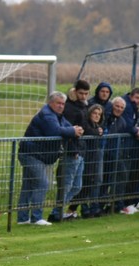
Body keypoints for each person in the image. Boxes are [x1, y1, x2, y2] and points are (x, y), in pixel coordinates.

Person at [17, 91, 83, 226]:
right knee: (42, 184)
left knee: (28, 186)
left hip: (35, 154)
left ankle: (22, 219)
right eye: (58, 103)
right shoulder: (47, 115)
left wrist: (75, 129)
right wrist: (73, 131)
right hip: (32, 154)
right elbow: (54, 131)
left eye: (63, 104)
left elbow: (66, 126)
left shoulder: (57, 116)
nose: (61, 106)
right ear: (50, 103)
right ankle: (36, 218)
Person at [48, 80, 89, 222]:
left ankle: (58, 211)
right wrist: (73, 149)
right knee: (66, 185)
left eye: (86, 94)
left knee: (77, 186)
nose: (83, 96)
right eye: (81, 93)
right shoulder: (70, 108)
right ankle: (56, 213)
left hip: (81, 150)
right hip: (72, 152)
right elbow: (68, 130)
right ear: (75, 91)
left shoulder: (83, 106)